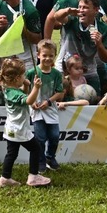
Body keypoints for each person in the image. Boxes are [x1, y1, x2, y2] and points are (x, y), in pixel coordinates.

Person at [0, 58, 52, 188]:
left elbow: (22, 97)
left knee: (11, 153)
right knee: (36, 148)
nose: (24, 76)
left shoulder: (7, 89)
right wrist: (36, 87)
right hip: (19, 129)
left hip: (11, 129)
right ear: (17, 78)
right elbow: (28, 100)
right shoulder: (14, 93)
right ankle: (33, 176)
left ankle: (5, 178)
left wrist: (27, 86)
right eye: (23, 75)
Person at [53, 0, 107, 92]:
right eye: (80, 7)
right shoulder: (72, 20)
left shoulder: (103, 28)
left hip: (88, 70)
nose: (81, 10)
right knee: (63, 98)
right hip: (66, 68)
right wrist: (67, 11)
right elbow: (57, 17)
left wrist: (99, 44)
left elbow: (106, 58)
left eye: (85, 7)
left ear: (96, 10)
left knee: (95, 98)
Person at [29, 39, 65, 171]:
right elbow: (25, 91)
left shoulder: (56, 74)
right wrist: (32, 102)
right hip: (36, 111)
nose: (48, 58)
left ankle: (50, 157)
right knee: (40, 138)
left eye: (51, 55)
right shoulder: (31, 72)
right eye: (44, 55)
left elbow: (60, 92)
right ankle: (41, 161)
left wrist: (49, 101)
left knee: (54, 136)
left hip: (51, 109)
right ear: (38, 55)